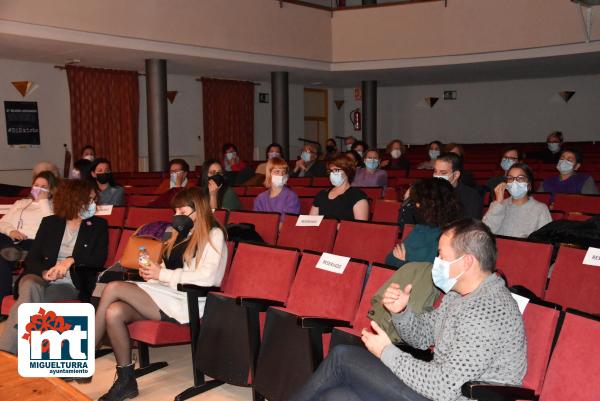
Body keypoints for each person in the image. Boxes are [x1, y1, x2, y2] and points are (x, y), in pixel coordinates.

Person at [290, 219, 526, 401]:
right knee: (337, 396)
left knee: (342, 357)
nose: (436, 262)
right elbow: (423, 337)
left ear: (467, 262)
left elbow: (444, 387)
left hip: (452, 396)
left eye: (442, 256)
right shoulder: (457, 295)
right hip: (438, 388)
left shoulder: (487, 311)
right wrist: (401, 312)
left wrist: (386, 352)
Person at [94, 188, 227, 401]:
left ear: (198, 209)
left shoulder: (214, 234)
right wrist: (153, 273)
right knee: (114, 312)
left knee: (113, 288)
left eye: (182, 209)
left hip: (190, 300)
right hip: (168, 293)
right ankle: (126, 380)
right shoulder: (179, 232)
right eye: (175, 210)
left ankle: (86, 353)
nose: (177, 214)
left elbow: (208, 278)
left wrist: (162, 274)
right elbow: (166, 269)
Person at [0, 179, 108, 354]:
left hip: (70, 283)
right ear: (74, 200)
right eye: (90, 200)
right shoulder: (51, 223)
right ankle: (18, 348)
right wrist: (44, 273)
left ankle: (7, 351)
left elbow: (97, 259)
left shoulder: (98, 226)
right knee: (29, 284)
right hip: (41, 277)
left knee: (28, 298)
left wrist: (70, 260)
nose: (93, 204)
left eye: (95, 200)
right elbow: (32, 259)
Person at [0, 171, 58, 300]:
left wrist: (43, 201)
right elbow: (2, 223)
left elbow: (52, 226)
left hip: (32, 242)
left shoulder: (54, 207)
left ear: (51, 190)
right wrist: (11, 231)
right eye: (36, 185)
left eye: (44, 186)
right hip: (11, 241)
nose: (39, 189)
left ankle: (15, 254)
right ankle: (13, 253)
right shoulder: (20, 203)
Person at [386, 178, 461, 269]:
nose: (416, 206)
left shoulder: (450, 236)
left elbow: (432, 273)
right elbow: (390, 259)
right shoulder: (420, 228)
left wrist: (404, 264)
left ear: (434, 204)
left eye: (420, 202)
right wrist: (405, 263)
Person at [483, 163, 552, 238]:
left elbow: (546, 241)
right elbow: (485, 233)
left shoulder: (540, 209)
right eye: (510, 178)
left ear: (529, 184)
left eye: (520, 178)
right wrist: (499, 203)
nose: (514, 182)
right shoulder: (498, 205)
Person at [310, 155, 369, 221]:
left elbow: (360, 227)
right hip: (322, 231)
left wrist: (333, 226)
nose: (332, 174)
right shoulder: (321, 194)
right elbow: (311, 222)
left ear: (347, 171)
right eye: (331, 171)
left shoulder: (357, 195)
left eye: (336, 170)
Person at [434, 152, 483, 219]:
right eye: (435, 171)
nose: (437, 176)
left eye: (443, 173)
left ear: (456, 175)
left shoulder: (471, 196)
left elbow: (469, 225)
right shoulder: (429, 192)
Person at [253, 157, 300, 221]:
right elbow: (257, 221)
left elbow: (286, 224)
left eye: (284, 172)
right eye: (277, 172)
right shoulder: (260, 198)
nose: (281, 175)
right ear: (269, 174)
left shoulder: (291, 197)